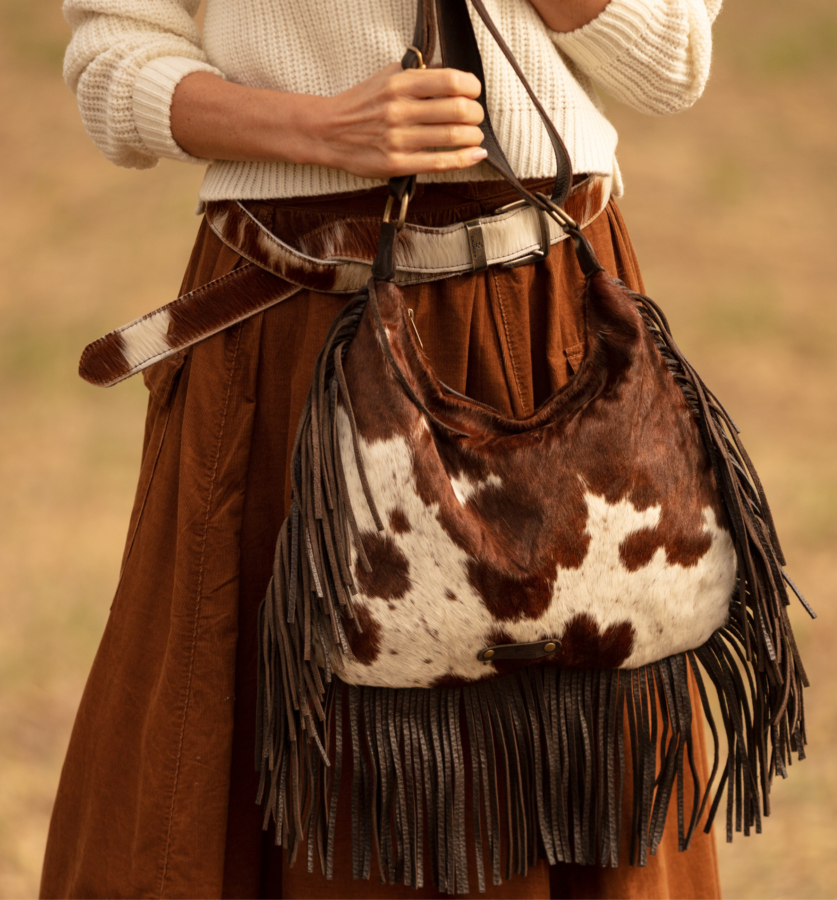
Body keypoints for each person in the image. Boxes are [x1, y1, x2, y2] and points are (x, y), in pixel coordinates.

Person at [43, 0, 724, 897]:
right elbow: (111, 61)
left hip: (552, 331)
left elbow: (670, 60)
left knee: (591, 757)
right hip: (297, 331)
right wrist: (326, 126)